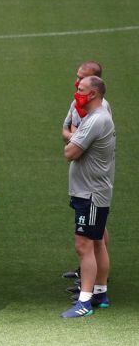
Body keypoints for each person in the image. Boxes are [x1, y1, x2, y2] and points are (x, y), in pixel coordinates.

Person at [62, 76, 114, 318]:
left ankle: (84, 302)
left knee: (83, 245)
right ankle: (100, 293)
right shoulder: (97, 116)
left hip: (90, 194)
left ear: (93, 94)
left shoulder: (96, 119)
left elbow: (70, 152)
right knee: (96, 242)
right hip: (92, 191)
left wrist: (73, 139)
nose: (77, 93)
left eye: (81, 90)